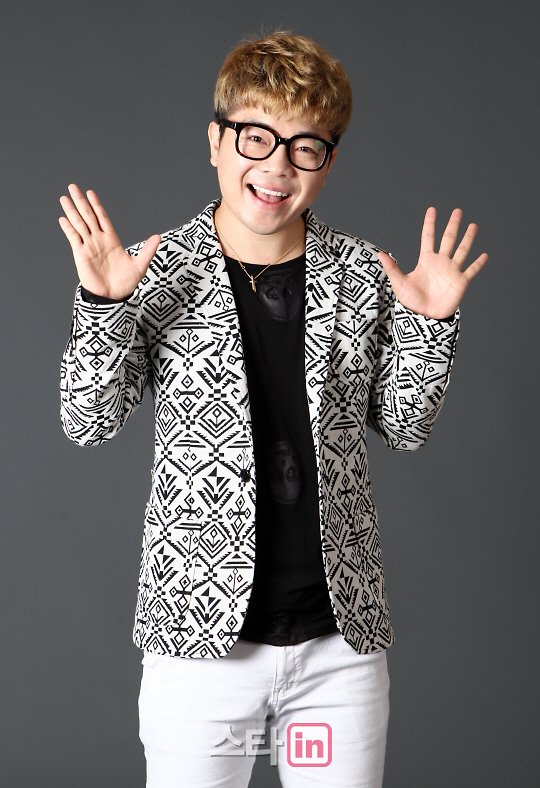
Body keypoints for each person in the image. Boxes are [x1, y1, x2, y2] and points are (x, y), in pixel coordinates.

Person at [58, 30, 488, 788]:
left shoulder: (363, 273)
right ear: (216, 141)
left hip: (339, 647)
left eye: (305, 146)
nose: (278, 165)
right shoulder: (154, 270)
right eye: (256, 137)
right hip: (199, 642)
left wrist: (430, 325)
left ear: (328, 161)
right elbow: (87, 422)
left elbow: (406, 427)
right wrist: (103, 305)